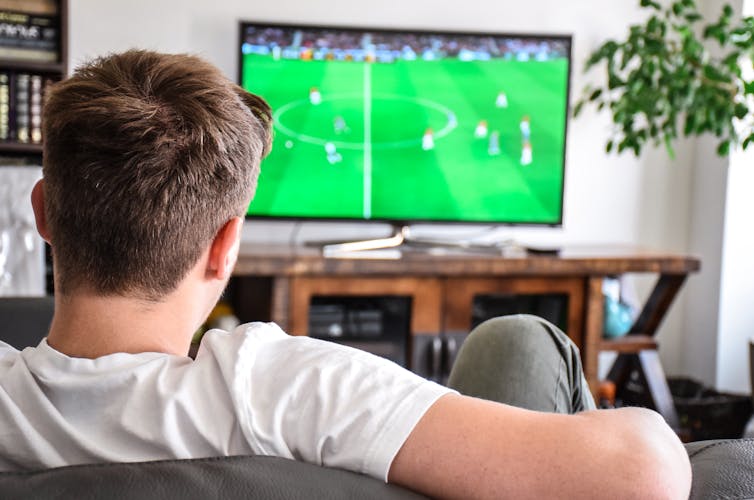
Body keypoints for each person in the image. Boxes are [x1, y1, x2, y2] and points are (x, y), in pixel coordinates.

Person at [0, 50, 691, 499]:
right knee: (519, 340)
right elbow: (648, 471)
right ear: (225, 247)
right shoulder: (282, 387)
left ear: (44, 214)